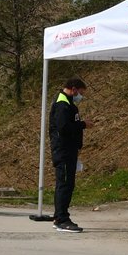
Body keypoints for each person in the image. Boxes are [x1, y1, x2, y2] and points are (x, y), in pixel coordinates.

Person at [49, 77, 89, 233]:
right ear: (73, 89)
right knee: (64, 184)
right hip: (63, 151)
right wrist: (83, 125)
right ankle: (61, 219)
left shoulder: (68, 103)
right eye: (80, 93)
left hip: (69, 150)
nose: (80, 96)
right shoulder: (62, 104)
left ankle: (60, 215)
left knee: (67, 184)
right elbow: (63, 127)